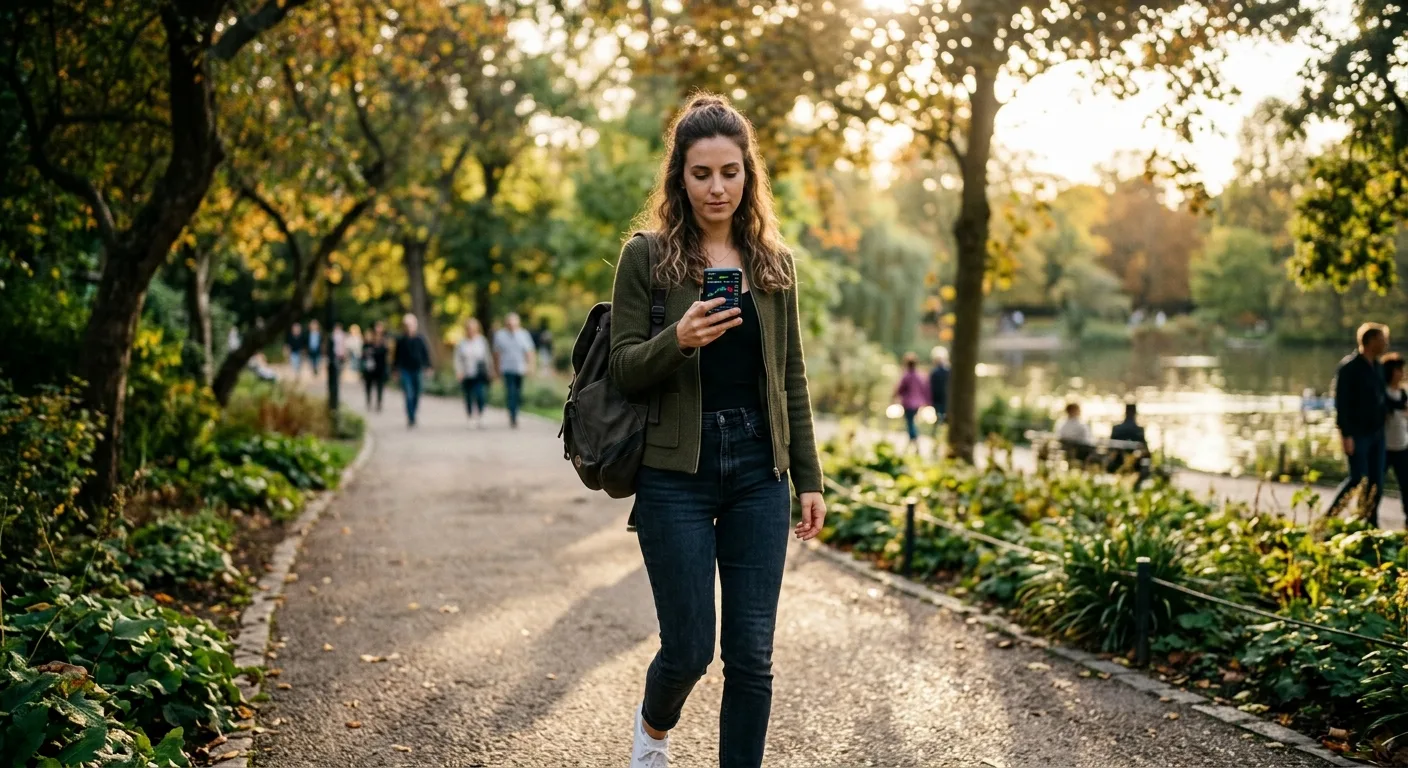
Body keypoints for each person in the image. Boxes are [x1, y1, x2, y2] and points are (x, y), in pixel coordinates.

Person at [610, 94, 826, 768]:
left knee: (753, 654)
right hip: (676, 476)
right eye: (701, 173)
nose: (717, 187)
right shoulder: (647, 259)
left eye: (730, 172)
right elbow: (620, 369)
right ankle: (653, 727)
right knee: (690, 649)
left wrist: (810, 478)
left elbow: (791, 374)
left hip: (760, 473)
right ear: (680, 177)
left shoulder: (772, 264)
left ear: (748, 175)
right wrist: (678, 338)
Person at [1328, 323, 1391, 525]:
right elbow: (1342, 404)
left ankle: (1370, 525)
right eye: (1382, 340)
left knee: (1376, 484)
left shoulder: (1379, 367)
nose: (1385, 344)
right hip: (1357, 434)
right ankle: (1328, 520)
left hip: (1377, 434)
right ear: (1370, 341)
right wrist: (1346, 435)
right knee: (1357, 479)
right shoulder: (1349, 368)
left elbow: (1383, 397)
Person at [493, 312, 537, 428]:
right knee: (511, 392)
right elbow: (497, 354)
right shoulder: (500, 335)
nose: (512, 325)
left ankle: (515, 411)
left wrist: (531, 366)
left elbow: (529, 352)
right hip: (507, 369)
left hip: (520, 369)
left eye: (514, 323)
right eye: (509, 323)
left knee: (518, 393)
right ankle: (513, 415)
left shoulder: (523, 334)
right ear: (506, 324)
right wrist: (496, 369)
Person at [392, 314, 432, 427]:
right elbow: (396, 356)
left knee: (417, 392)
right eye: (407, 325)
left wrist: (428, 366)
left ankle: (413, 413)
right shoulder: (401, 340)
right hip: (405, 370)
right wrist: (395, 370)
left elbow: (425, 354)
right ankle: (411, 417)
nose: (409, 327)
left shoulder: (420, 339)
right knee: (408, 393)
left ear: (415, 325)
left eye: (411, 325)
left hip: (417, 369)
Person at [454, 318, 492, 427]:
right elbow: (457, 359)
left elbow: (487, 357)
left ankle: (481, 415)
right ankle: (470, 416)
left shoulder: (482, 341)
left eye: (472, 328)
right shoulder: (461, 343)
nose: (470, 331)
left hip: (479, 373)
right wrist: (459, 371)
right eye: (469, 329)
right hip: (466, 373)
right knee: (468, 396)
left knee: (480, 395)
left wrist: (490, 370)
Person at [1384, 354, 1408, 501]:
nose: (1401, 373)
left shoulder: (1403, 393)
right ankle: (1367, 517)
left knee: (1406, 485)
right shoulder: (1382, 393)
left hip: (1402, 446)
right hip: (1385, 447)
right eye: (1398, 369)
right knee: (1375, 485)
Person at [893, 352, 929, 452]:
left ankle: (915, 441)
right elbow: (925, 389)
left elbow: (899, 389)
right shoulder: (920, 376)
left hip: (908, 403)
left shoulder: (906, 376)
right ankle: (912, 444)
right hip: (917, 403)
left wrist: (894, 397)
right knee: (911, 422)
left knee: (910, 423)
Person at [361, 321, 390, 412]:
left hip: (380, 367)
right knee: (368, 385)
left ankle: (379, 402)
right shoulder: (369, 339)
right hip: (370, 367)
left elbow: (387, 353)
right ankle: (369, 400)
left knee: (380, 386)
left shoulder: (385, 340)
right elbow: (363, 352)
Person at [928, 345, 950, 431]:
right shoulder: (947, 371)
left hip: (939, 399)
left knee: (940, 417)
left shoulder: (935, 372)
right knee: (942, 418)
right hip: (942, 399)